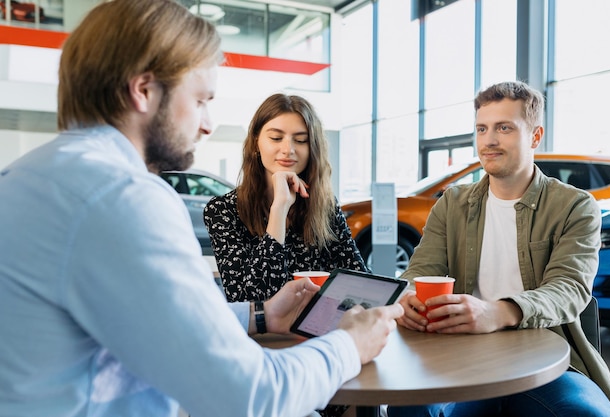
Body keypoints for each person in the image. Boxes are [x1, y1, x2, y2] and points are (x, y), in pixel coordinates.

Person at [0, 1, 404, 416]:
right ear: (143, 91)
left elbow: (153, 323)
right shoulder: (122, 196)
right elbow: (248, 396)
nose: (207, 123)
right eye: (200, 100)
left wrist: (260, 317)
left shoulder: (28, 177)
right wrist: (349, 345)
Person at [388, 81, 610, 417]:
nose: (489, 140)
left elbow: (569, 289)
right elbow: (420, 271)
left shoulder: (575, 206)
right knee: (407, 408)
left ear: (535, 137)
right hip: (459, 355)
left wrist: (496, 312)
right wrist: (407, 297)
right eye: (482, 128)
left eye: (504, 128)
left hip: (547, 358)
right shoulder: (452, 203)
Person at [204, 93, 367, 303]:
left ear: (312, 149)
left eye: (301, 140)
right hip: (262, 336)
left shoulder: (324, 205)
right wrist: (279, 210)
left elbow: (360, 281)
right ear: (256, 143)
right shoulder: (222, 210)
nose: (288, 150)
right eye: (276, 138)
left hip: (321, 329)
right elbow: (250, 299)